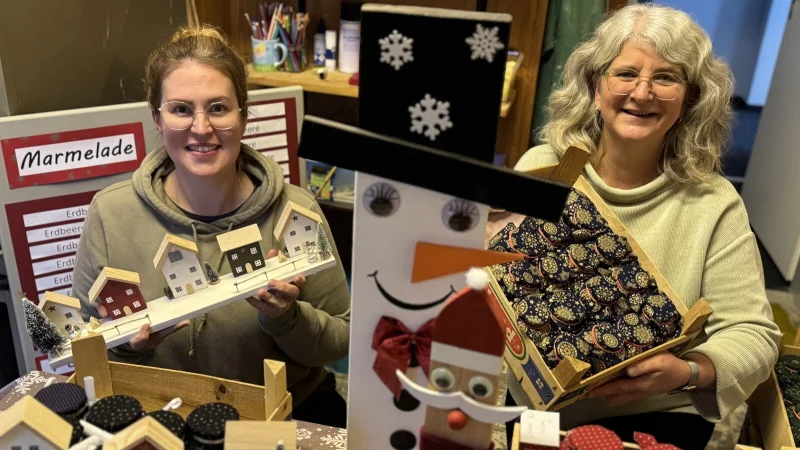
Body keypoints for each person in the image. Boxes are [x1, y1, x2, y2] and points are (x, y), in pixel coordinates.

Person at [505, 4, 781, 449]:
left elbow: (755, 335)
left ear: (691, 99)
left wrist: (688, 371)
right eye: (626, 73)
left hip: (655, 416)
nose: (642, 92)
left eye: (666, 78)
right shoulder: (545, 169)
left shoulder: (713, 203)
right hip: (537, 407)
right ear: (595, 86)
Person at [73, 26, 350, 428]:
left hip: (281, 418)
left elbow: (339, 341)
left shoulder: (296, 211)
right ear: (157, 119)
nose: (201, 128)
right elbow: (86, 351)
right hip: (163, 419)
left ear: (243, 116)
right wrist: (130, 349)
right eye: (181, 109)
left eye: (218, 108)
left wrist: (287, 319)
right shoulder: (110, 215)